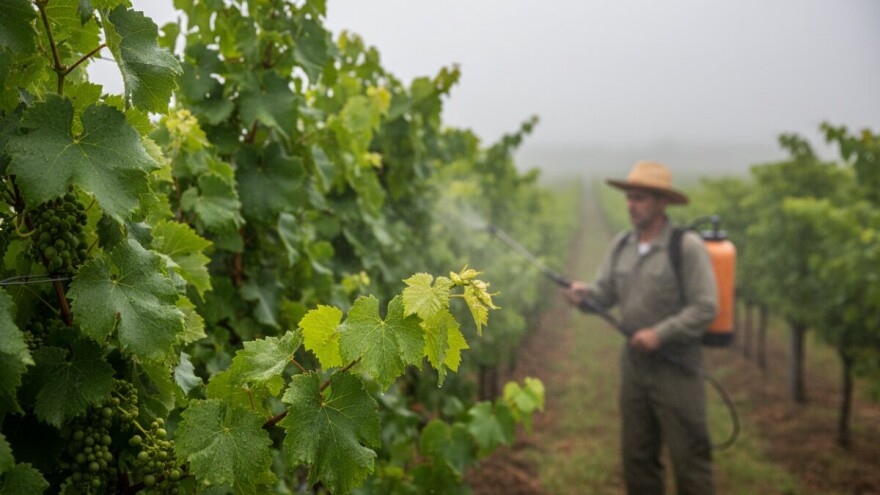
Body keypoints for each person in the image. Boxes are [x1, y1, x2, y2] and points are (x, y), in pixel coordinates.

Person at [563, 160, 719, 495]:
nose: (631, 205)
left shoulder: (685, 247)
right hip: (634, 368)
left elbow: (706, 307)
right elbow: (604, 293)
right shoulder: (622, 244)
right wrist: (583, 295)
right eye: (629, 198)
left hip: (677, 368)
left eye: (640, 198)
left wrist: (659, 334)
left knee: (690, 459)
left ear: (662, 202)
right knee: (637, 458)